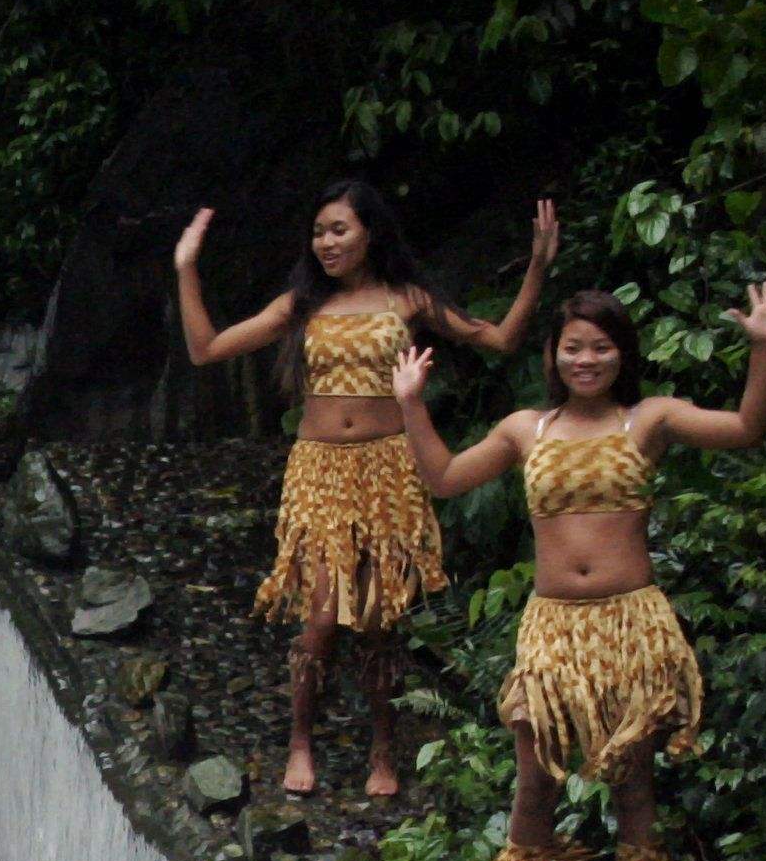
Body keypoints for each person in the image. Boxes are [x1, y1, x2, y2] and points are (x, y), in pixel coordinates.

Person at [395, 283, 766, 861]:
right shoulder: (527, 429)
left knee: (634, 781)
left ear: (622, 353)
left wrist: (762, 349)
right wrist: (409, 403)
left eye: (601, 346)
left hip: (630, 621)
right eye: (573, 346)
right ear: (552, 355)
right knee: (533, 777)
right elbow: (446, 478)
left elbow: (744, 430)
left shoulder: (649, 419)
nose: (587, 359)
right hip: (552, 626)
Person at [176, 185, 559, 797]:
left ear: (370, 233)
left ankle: (383, 746)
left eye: (339, 230)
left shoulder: (408, 299)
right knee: (323, 617)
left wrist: (538, 265)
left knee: (379, 620)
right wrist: (187, 267)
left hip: (388, 467)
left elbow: (499, 339)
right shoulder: (302, 304)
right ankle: (301, 740)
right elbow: (206, 349)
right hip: (319, 470)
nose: (325, 243)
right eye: (319, 232)